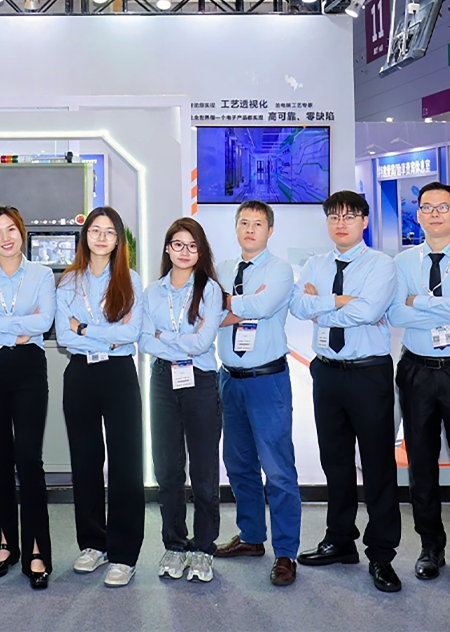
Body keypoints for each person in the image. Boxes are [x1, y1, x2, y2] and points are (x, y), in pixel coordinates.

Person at [290, 191, 401, 593]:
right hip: (327, 372)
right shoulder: (315, 264)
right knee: (335, 462)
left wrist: (321, 304)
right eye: (334, 216)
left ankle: (382, 554)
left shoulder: (381, 265)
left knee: (377, 466)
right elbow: (297, 307)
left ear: (365, 221)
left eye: (350, 216)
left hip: (368, 373)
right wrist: (338, 300)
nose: (341, 223)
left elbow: (367, 311)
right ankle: (339, 541)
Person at [387, 182, 450, 593]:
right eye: (426, 207)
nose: (434, 214)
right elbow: (396, 314)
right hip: (416, 370)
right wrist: (445, 304)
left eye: (442, 207)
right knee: (422, 467)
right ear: (418, 214)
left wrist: (419, 302)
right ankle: (431, 548)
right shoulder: (402, 261)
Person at [55, 206, 145, 588]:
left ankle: (124, 554)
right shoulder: (68, 281)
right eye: (95, 230)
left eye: (110, 231)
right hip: (80, 374)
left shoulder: (130, 280)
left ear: (119, 239)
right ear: (85, 235)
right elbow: (64, 336)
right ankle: (93, 543)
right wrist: (106, 333)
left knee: (126, 463)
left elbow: (131, 334)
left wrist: (85, 328)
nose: (102, 237)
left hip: (119, 374)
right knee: (86, 461)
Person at [212, 200, 301, 587]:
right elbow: (206, 310)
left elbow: (263, 306)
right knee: (238, 464)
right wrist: (241, 307)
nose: (250, 229)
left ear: (270, 230)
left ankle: (286, 553)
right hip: (229, 380)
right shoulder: (220, 269)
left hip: (267, 381)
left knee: (278, 470)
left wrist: (228, 305)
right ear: (236, 228)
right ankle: (251, 537)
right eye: (244, 223)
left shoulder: (280, 270)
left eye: (258, 224)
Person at [0, 206, 56, 589]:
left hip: (28, 370)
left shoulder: (41, 274)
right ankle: (5, 543)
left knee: (29, 460)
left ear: (22, 232)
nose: (5, 238)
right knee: (0, 461)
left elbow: (44, 321)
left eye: (11, 230)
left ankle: (37, 549)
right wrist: (17, 329)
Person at [139, 218, 225, 584]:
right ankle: (174, 544)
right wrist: (178, 341)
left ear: (201, 251)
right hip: (163, 381)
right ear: (167, 248)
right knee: (167, 469)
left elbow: (203, 343)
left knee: (203, 471)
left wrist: (165, 337)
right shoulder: (152, 292)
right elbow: (144, 340)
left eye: (192, 246)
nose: (185, 251)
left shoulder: (211, 290)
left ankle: (203, 548)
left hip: (200, 381)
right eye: (178, 244)